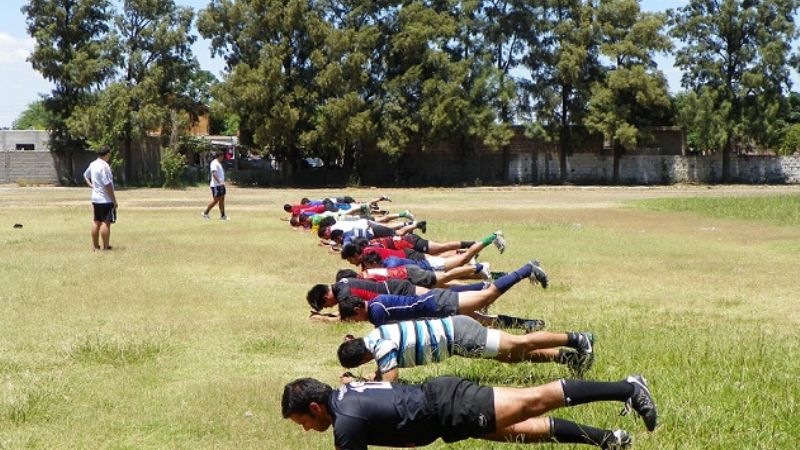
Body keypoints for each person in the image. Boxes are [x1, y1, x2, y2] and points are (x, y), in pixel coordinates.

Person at [282, 373, 658, 449]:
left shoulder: (345, 423)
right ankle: (609, 439)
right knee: (522, 431)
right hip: (442, 411)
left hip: (448, 407)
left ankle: (628, 388)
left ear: (315, 407)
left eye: (303, 422)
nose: (305, 429)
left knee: (535, 400)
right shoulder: (346, 392)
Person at [337, 315, 596, 381]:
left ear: (362, 359)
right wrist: (371, 377)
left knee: (518, 343)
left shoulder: (381, 348)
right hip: (457, 336)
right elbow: (384, 373)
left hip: (459, 336)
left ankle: (577, 339)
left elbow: (390, 383)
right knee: (511, 357)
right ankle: (568, 359)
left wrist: (363, 384)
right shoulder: (375, 335)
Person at [337, 259, 549, 330]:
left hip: (438, 304)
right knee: (485, 322)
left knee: (488, 295)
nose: (356, 322)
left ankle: (526, 270)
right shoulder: (375, 303)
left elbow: (384, 336)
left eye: (353, 318)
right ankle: (530, 324)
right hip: (437, 307)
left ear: (357, 309)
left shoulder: (376, 312)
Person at [83, 146, 117, 251]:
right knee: (106, 223)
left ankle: (95, 246)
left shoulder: (93, 164)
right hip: (105, 199)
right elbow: (108, 185)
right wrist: (114, 201)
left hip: (95, 198)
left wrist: (92, 185)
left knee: (96, 221)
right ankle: (106, 247)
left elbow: (85, 175)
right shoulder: (104, 166)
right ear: (107, 154)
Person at [202, 151, 228, 220]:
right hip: (216, 185)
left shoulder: (219, 163)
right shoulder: (214, 163)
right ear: (219, 156)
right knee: (216, 200)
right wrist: (219, 182)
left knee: (222, 200)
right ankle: (205, 213)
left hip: (221, 185)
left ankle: (223, 216)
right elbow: (214, 173)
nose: (223, 158)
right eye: (222, 156)